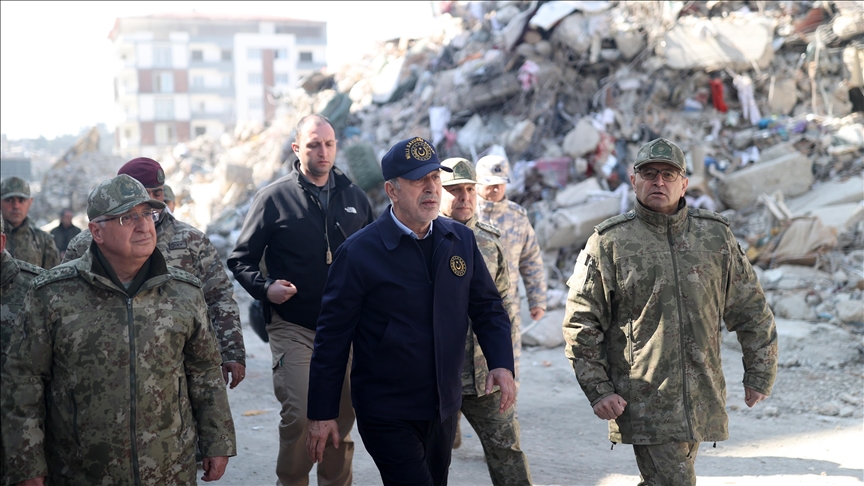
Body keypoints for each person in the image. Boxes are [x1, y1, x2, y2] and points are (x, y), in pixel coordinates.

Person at [562, 138, 778, 485]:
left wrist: (759, 373)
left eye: (668, 174)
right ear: (634, 181)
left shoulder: (714, 236)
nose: (658, 182)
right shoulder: (610, 242)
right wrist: (599, 389)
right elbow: (581, 321)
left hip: (702, 394)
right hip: (645, 399)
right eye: (649, 174)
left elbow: (750, 307)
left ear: (684, 184)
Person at [305, 137, 516, 486]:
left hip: (444, 405)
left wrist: (501, 362)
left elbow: (488, 308)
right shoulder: (359, 253)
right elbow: (332, 339)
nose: (432, 189)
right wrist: (322, 413)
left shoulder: (459, 240)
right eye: (419, 181)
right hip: (387, 410)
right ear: (392, 189)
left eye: (435, 178)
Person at [1, 174, 236, 485]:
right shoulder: (52, 294)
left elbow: (204, 370)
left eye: (148, 214)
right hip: (81, 472)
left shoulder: (183, 291)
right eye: (127, 217)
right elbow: (24, 381)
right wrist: (28, 464)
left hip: (168, 469)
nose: (143, 226)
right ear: (97, 231)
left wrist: (217, 440)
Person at [228, 114, 374, 486]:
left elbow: (376, 260)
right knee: (302, 412)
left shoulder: (355, 198)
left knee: (341, 418)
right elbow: (240, 259)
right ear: (297, 149)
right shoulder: (274, 198)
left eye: (328, 144)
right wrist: (266, 288)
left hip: (345, 331)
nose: (322, 151)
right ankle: (291, 481)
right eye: (313, 144)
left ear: (336, 146)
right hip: (293, 326)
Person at [63, 158, 246, 389]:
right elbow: (65, 300)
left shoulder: (191, 240)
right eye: (143, 191)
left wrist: (232, 351)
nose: (150, 200)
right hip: (107, 363)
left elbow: (218, 296)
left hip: (181, 360)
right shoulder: (87, 243)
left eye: (157, 193)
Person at [438, 157, 531, 486]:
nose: (464, 197)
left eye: (468, 189)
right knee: (429, 460)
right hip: (435, 377)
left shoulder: (491, 242)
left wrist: (506, 365)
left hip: (484, 378)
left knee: (507, 453)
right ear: (437, 191)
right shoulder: (421, 239)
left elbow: (502, 310)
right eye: (454, 190)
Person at [475, 155, 546, 383]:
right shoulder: (464, 215)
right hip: (466, 310)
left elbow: (531, 259)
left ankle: (506, 413)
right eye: (489, 182)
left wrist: (537, 300)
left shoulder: (517, 217)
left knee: (506, 370)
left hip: (506, 309)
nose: (495, 188)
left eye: (500, 182)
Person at [1, 176, 59, 269]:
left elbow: (53, 279)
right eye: (9, 200)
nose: (16, 206)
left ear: (30, 202)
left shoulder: (43, 240)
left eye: (21, 200)